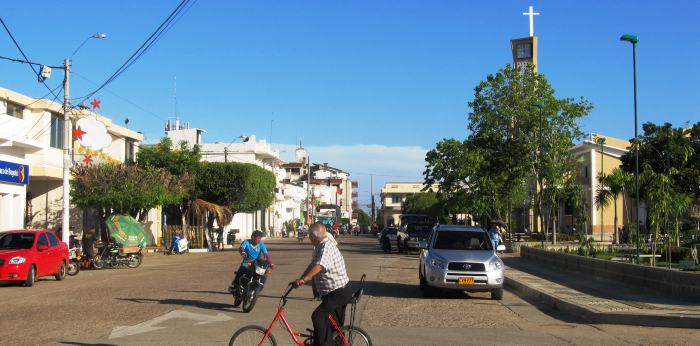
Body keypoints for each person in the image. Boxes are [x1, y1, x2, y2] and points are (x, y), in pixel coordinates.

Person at [293, 223, 352, 346]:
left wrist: (305, 279)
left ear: (314, 236)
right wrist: (302, 278)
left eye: (309, 236)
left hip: (339, 292)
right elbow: (312, 265)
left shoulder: (326, 247)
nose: (309, 238)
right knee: (333, 327)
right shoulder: (320, 247)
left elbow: (320, 266)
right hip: (333, 292)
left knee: (318, 316)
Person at [228, 230, 275, 306]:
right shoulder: (246, 242)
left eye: (260, 238)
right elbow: (241, 248)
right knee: (242, 268)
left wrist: (270, 263)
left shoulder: (261, 245)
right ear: (252, 237)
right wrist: (242, 252)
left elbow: (266, 255)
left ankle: (257, 291)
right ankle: (235, 284)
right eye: (257, 238)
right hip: (247, 262)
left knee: (265, 274)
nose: (258, 240)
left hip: (257, 263)